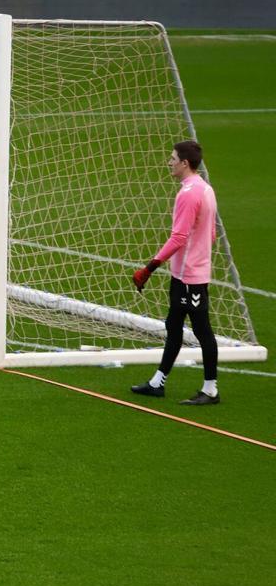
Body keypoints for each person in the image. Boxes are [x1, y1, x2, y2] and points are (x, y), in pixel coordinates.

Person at [130, 141, 222, 406]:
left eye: (172, 158)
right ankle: (158, 382)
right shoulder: (206, 189)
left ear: (184, 163)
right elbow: (212, 233)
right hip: (188, 273)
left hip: (190, 275)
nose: (169, 162)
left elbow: (179, 237)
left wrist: (148, 268)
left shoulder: (188, 194)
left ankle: (211, 390)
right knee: (173, 325)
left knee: (203, 331)